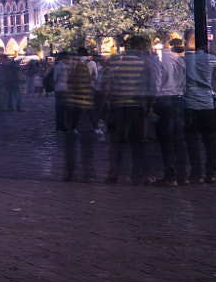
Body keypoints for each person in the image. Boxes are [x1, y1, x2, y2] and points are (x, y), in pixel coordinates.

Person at [103, 37, 155, 184]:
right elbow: (149, 85)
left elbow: (107, 86)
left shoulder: (115, 61)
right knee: (136, 141)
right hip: (136, 105)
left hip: (118, 105)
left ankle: (113, 173)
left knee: (116, 141)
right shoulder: (144, 62)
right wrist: (149, 105)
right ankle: (136, 174)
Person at [181, 44, 216, 184]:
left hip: (190, 102)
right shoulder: (211, 59)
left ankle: (196, 173)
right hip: (206, 102)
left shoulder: (185, 59)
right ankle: (211, 174)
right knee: (210, 141)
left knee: (192, 141)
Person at [55, 48, 99, 181]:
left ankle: (73, 127)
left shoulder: (73, 64)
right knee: (90, 109)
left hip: (76, 92)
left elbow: (71, 77)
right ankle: (95, 126)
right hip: (88, 89)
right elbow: (95, 76)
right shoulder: (91, 64)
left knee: (77, 110)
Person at [153, 38, 187, 187]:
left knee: (166, 140)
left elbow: (156, 84)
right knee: (179, 139)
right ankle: (183, 175)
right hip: (177, 99)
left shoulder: (158, 60)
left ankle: (170, 176)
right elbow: (184, 82)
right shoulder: (180, 60)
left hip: (163, 99)